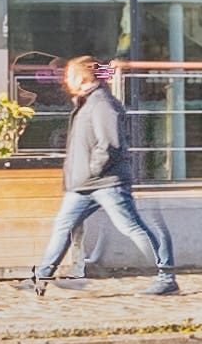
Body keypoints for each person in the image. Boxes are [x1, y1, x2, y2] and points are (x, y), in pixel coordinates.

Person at [34, 51, 179, 293]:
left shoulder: (101, 104)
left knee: (132, 228)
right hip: (83, 184)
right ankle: (41, 279)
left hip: (106, 183)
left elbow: (110, 144)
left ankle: (166, 277)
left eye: (69, 76)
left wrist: (92, 170)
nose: (65, 81)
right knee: (63, 227)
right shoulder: (88, 102)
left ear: (82, 79)